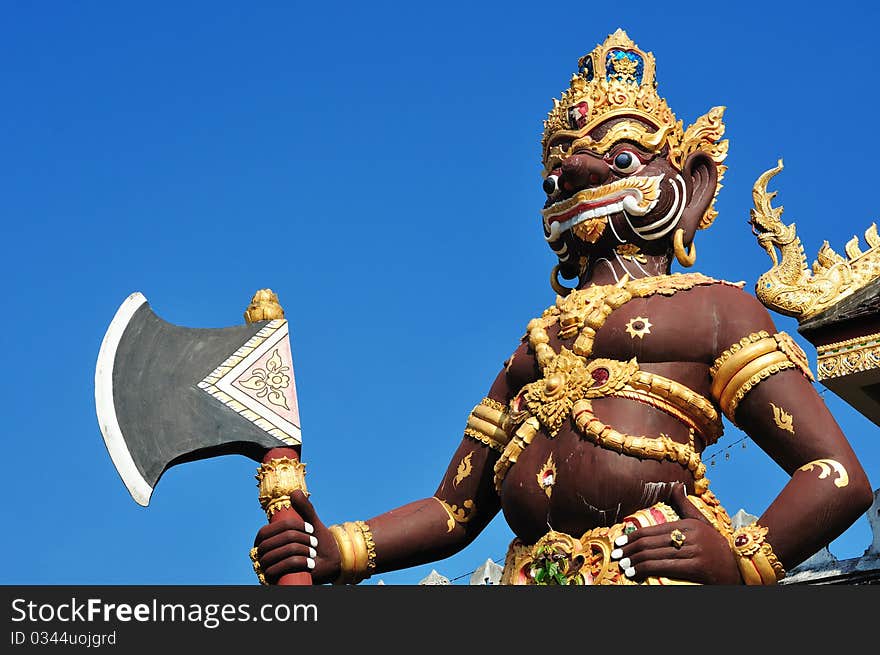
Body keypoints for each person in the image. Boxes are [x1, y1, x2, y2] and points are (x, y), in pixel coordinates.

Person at [250, 29, 873, 585]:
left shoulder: (714, 311)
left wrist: (740, 560)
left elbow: (835, 472)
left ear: (693, 183)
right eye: (556, 174)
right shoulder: (533, 346)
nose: (576, 172)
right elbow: (454, 512)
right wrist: (339, 547)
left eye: (622, 158)